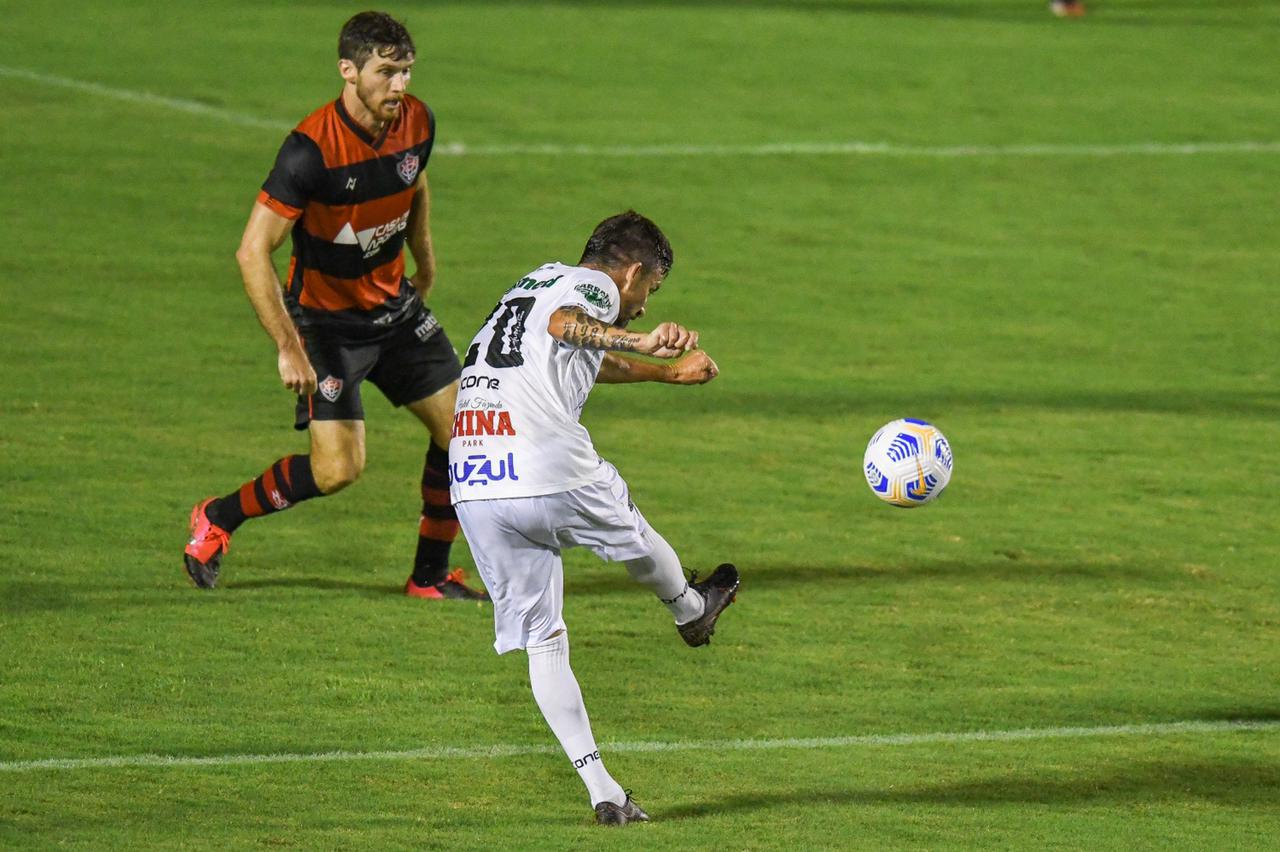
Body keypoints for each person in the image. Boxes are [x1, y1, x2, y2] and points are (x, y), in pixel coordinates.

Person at [449, 211, 741, 825]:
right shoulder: (597, 288)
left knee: (544, 640)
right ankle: (693, 611)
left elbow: (577, 351)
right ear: (632, 272)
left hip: (474, 475)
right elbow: (570, 326)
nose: (638, 306)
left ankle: (604, 792)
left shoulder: (531, 283)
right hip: (542, 459)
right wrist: (644, 340)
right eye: (649, 291)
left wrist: (664, 375)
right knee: (635, 536)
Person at [183, 11, 486, 600]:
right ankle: (217, 517)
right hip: (326, 327)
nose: (399, 86)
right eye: (385, 72)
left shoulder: (417, 119)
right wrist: (288, 347)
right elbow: (252, 252)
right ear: (348, 71)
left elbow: (414, 184)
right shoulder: (310, 151)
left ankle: (429, 576)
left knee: (466, 436)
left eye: (406, 71)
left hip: (395, 312)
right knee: (337, 471)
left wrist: (425, 262)